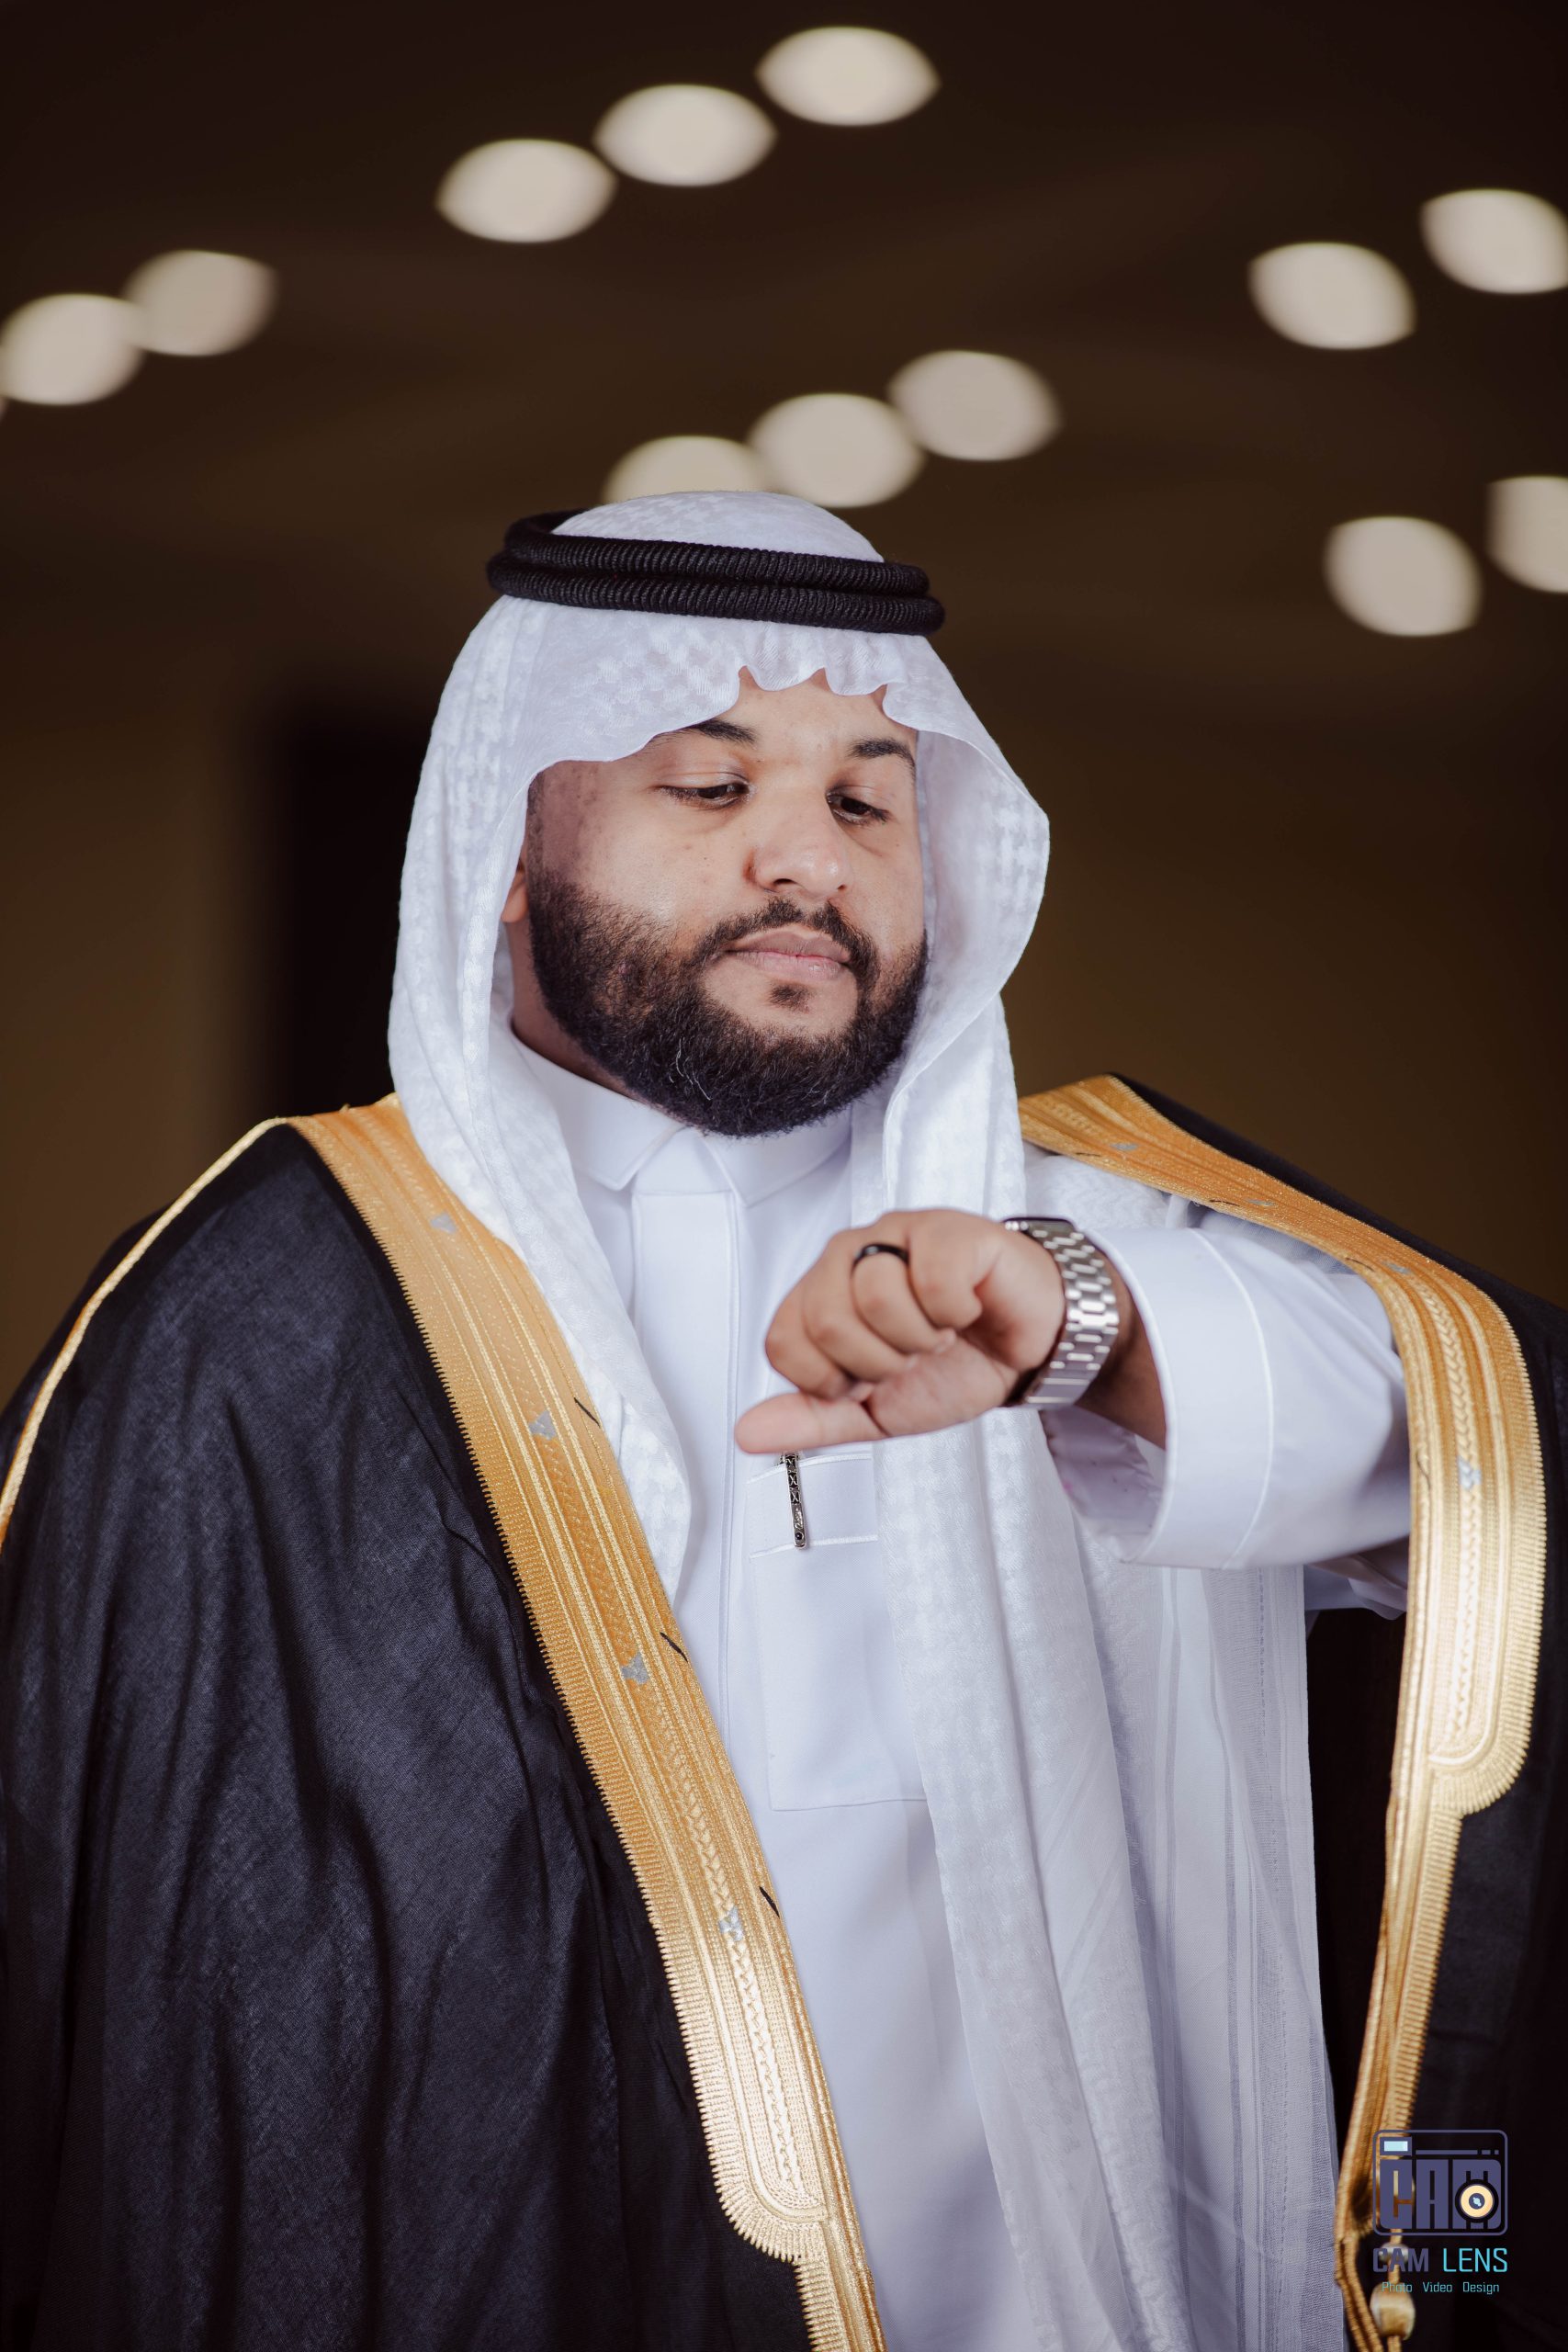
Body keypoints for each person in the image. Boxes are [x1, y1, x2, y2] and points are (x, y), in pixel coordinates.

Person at [1, 493, 1560, 2352]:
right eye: (709, 784)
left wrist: (1078, 1327)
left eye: (867, 803)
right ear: (508, 841)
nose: (804, 858)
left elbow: (1472, 1441)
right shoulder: (269, 1307)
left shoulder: (1103, 1222)